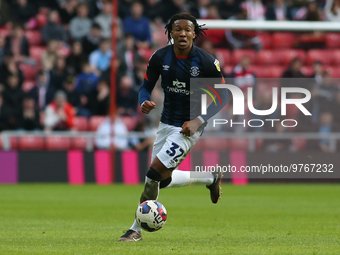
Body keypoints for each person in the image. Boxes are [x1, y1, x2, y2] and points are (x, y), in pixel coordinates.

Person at [118, 13, 228, 242]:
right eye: (178, 29)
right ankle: (210, 177)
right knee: (161, 180)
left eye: (188, 29)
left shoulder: (206, 62)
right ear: (170, 32)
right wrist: (143, 101)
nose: (183, 33)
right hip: (166, 124)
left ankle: (135, 230)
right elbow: (145, 87)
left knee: (152, 175)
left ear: (194, 34)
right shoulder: (160, 57)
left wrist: (199, 120)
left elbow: (223, 96)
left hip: (188, 128)